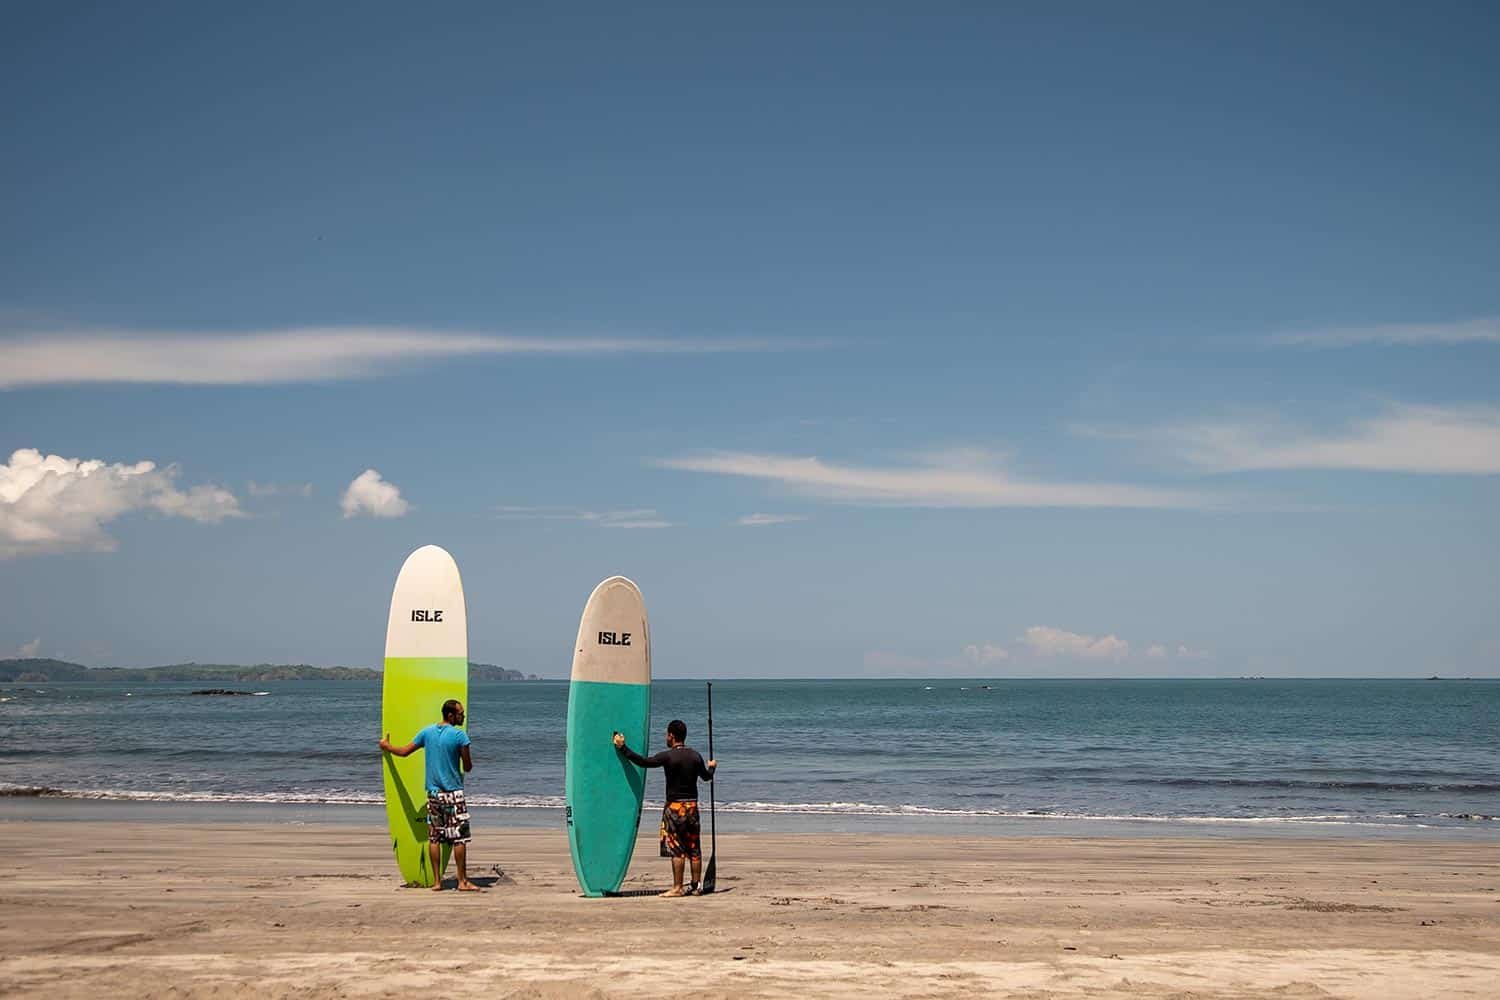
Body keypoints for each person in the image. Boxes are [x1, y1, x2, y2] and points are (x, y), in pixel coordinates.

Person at [379, 699, 480, 892]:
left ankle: (436, 882)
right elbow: (468, 767)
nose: (463, 716)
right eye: (461, 713)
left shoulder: (427, 732)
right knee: (459, 839)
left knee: (434, 838)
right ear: (451, 715)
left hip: (433, 795)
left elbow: (404, 752)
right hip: (453, 794)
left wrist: (386, 746)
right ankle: (462, 881)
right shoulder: (460, 736)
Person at [613, 720, 717, 897]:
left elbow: (643, 762)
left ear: (671, 736)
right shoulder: (695, 756)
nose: (665, 737)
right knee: (694, 847)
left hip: (675, 808)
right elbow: (706, 777)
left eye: (666, 735)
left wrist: (623, 748)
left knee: (676, 848)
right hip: (692, 807)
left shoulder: (667, 756)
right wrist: (712, 768)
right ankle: (696, 886)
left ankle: (677, 888)